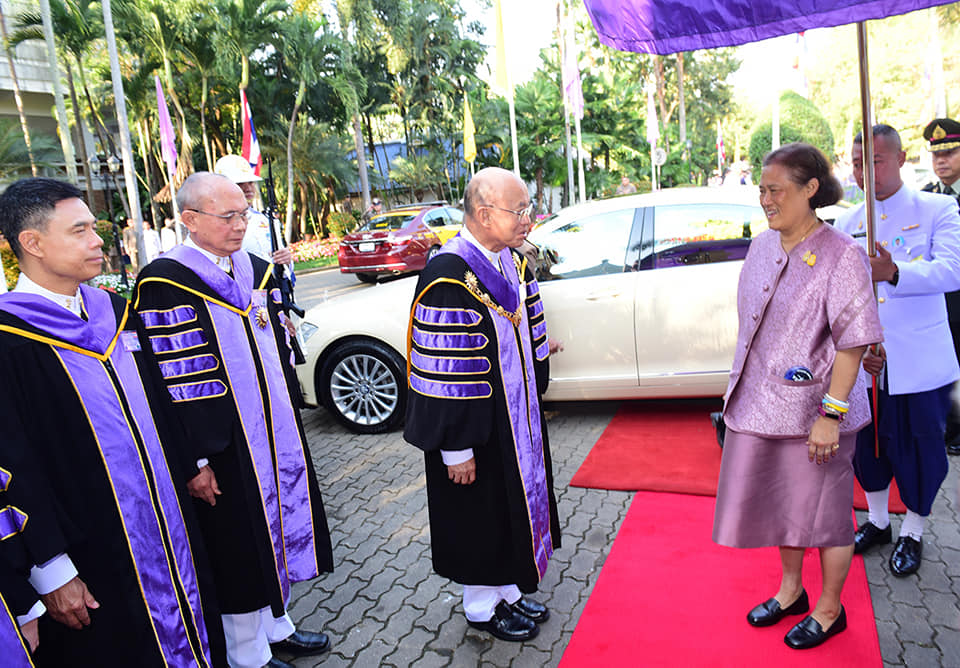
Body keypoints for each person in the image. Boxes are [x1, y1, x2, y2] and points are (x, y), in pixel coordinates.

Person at [0, 177, 227, 666]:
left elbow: (162, 402)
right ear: (32, 243)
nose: (98, 239)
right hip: (91, 549)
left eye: (94, 227)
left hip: (169, 524)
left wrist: (191, 463)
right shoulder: (8, 342)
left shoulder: (114, 313)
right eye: (80, 230)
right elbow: (12, 464)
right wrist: (52, 570)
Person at [133, 172, 334, 668]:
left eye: (244, 213)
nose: (241, 224)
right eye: (228, 216)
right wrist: (194, 460)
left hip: (272, 431)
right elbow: (172, 383)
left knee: (273, 533)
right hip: (221, 446)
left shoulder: (252, 270)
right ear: (189, 219)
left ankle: (275, 626)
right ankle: (246, 654)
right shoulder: (164, 285)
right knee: (238, 546)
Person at [713, 143, 882, 649]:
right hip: (761, 407)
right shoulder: (764, 244)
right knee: (785, 507)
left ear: (810, 190)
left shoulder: (842, 254)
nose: (765, 200)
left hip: (819, 414)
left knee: (827, 517)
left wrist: (831, 415)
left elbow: (853, 343)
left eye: (776, 190)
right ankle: (792, 592)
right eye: (761, 190)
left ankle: (831, 609)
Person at [404, 167, 561, 643]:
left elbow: (527, 326)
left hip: (517, 422)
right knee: (480, 514)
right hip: (476, 428)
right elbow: (441, 371)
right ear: (485, 212)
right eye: (519, 211)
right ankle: (479, 606)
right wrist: (456, 448)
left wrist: (536, 358)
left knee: (507, 507)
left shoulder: (510, 261)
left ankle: (509, 589)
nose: (527, 220)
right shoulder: (447, 275)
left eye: (527, 210)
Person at [835, 124, 960, 577]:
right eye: (855, 162)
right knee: (868, 447)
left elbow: (951, 271)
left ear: (902, 159)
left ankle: (913, 531)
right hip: (866, 364)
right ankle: (879, 521)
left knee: (920, 448)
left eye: (875, 160)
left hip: (918, 362)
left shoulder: (937, 209)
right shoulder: (848, 222)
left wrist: (894, 272)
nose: (865, 170)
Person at [921, 117, 960, 456]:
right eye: (937, 155)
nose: (942, 161)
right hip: (940, 301)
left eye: (950, 152)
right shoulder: (928, 198)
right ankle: (948, 427)